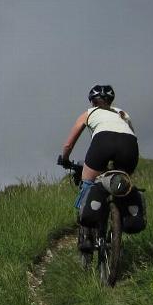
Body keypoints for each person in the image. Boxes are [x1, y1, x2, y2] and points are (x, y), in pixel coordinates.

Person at [58, 84, 139, 248]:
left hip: (103, 143)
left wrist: (65, 159)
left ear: (92, 101)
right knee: (123, 184)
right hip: (129, 146)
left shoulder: (89, 113)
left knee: (88, 182)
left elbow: (69, 144)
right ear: (111, 101)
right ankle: (121, 218)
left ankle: (87, 232)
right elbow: (129, 134)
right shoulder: (122, 113)